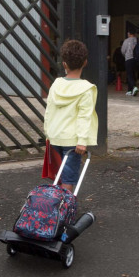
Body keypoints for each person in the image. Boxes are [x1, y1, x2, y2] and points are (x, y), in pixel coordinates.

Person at [43, 39, 98, 193]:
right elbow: (84, 116)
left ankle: (55, 206)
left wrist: (47, 132)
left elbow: (50, 110)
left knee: (58, 174)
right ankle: (64, 210)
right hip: (72, 141)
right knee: (68, 177)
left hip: (55, 136)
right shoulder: (87, 89)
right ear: (85, 62)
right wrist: (82, 140)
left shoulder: (56, 84)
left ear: (64, 64)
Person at [121, 28, 139, 97]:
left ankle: (134, 87)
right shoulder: (138, 40)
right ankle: (130, 90)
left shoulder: (126, 41)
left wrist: (126, 55)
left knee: (129, 74)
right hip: (136, 60)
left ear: (129, 34)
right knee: (133, 74)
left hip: (129, 59)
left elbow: (123, 51)